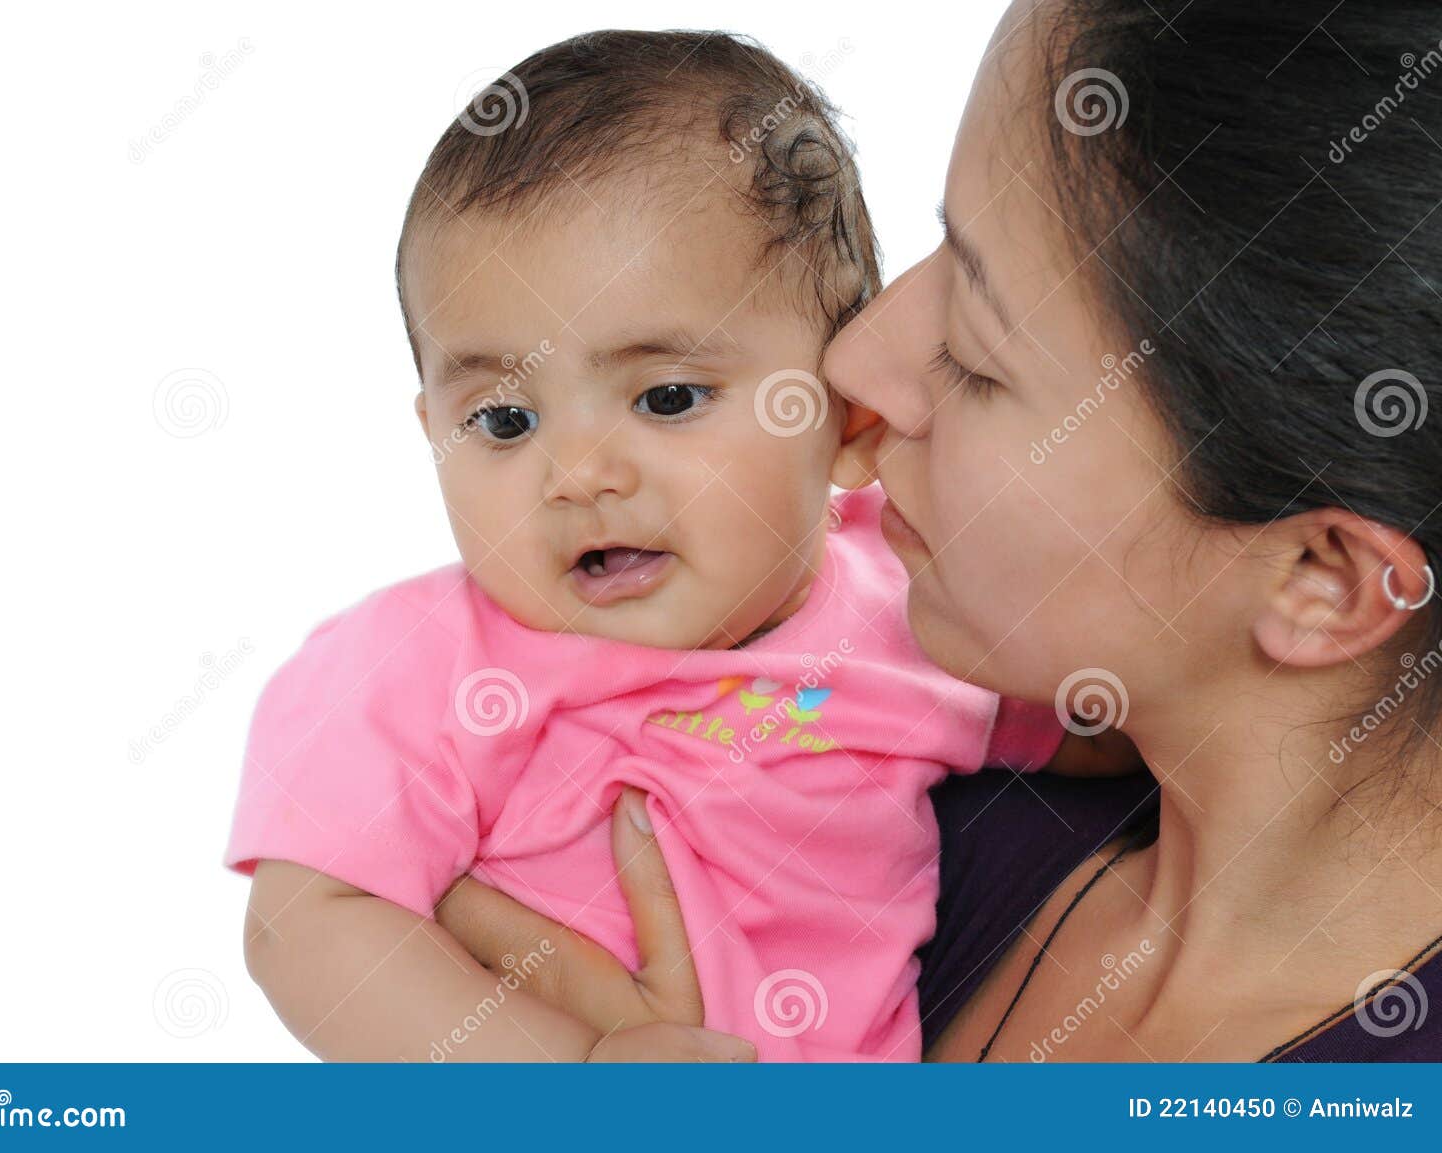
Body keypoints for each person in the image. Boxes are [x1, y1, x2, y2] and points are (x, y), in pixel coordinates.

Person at [432, 0, 1442, 1061]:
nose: (852, 364)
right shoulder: (869, 814)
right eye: (942, 247)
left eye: (973, 349)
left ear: (1321, 578)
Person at [225, 29, 1135, 1063]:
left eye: (666, 397)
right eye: (504, 421)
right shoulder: (418, 664)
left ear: (845, 419)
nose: (576, 475)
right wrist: (569, 1076)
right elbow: (306, 920)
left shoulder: (908, 602)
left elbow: (1114, 719)